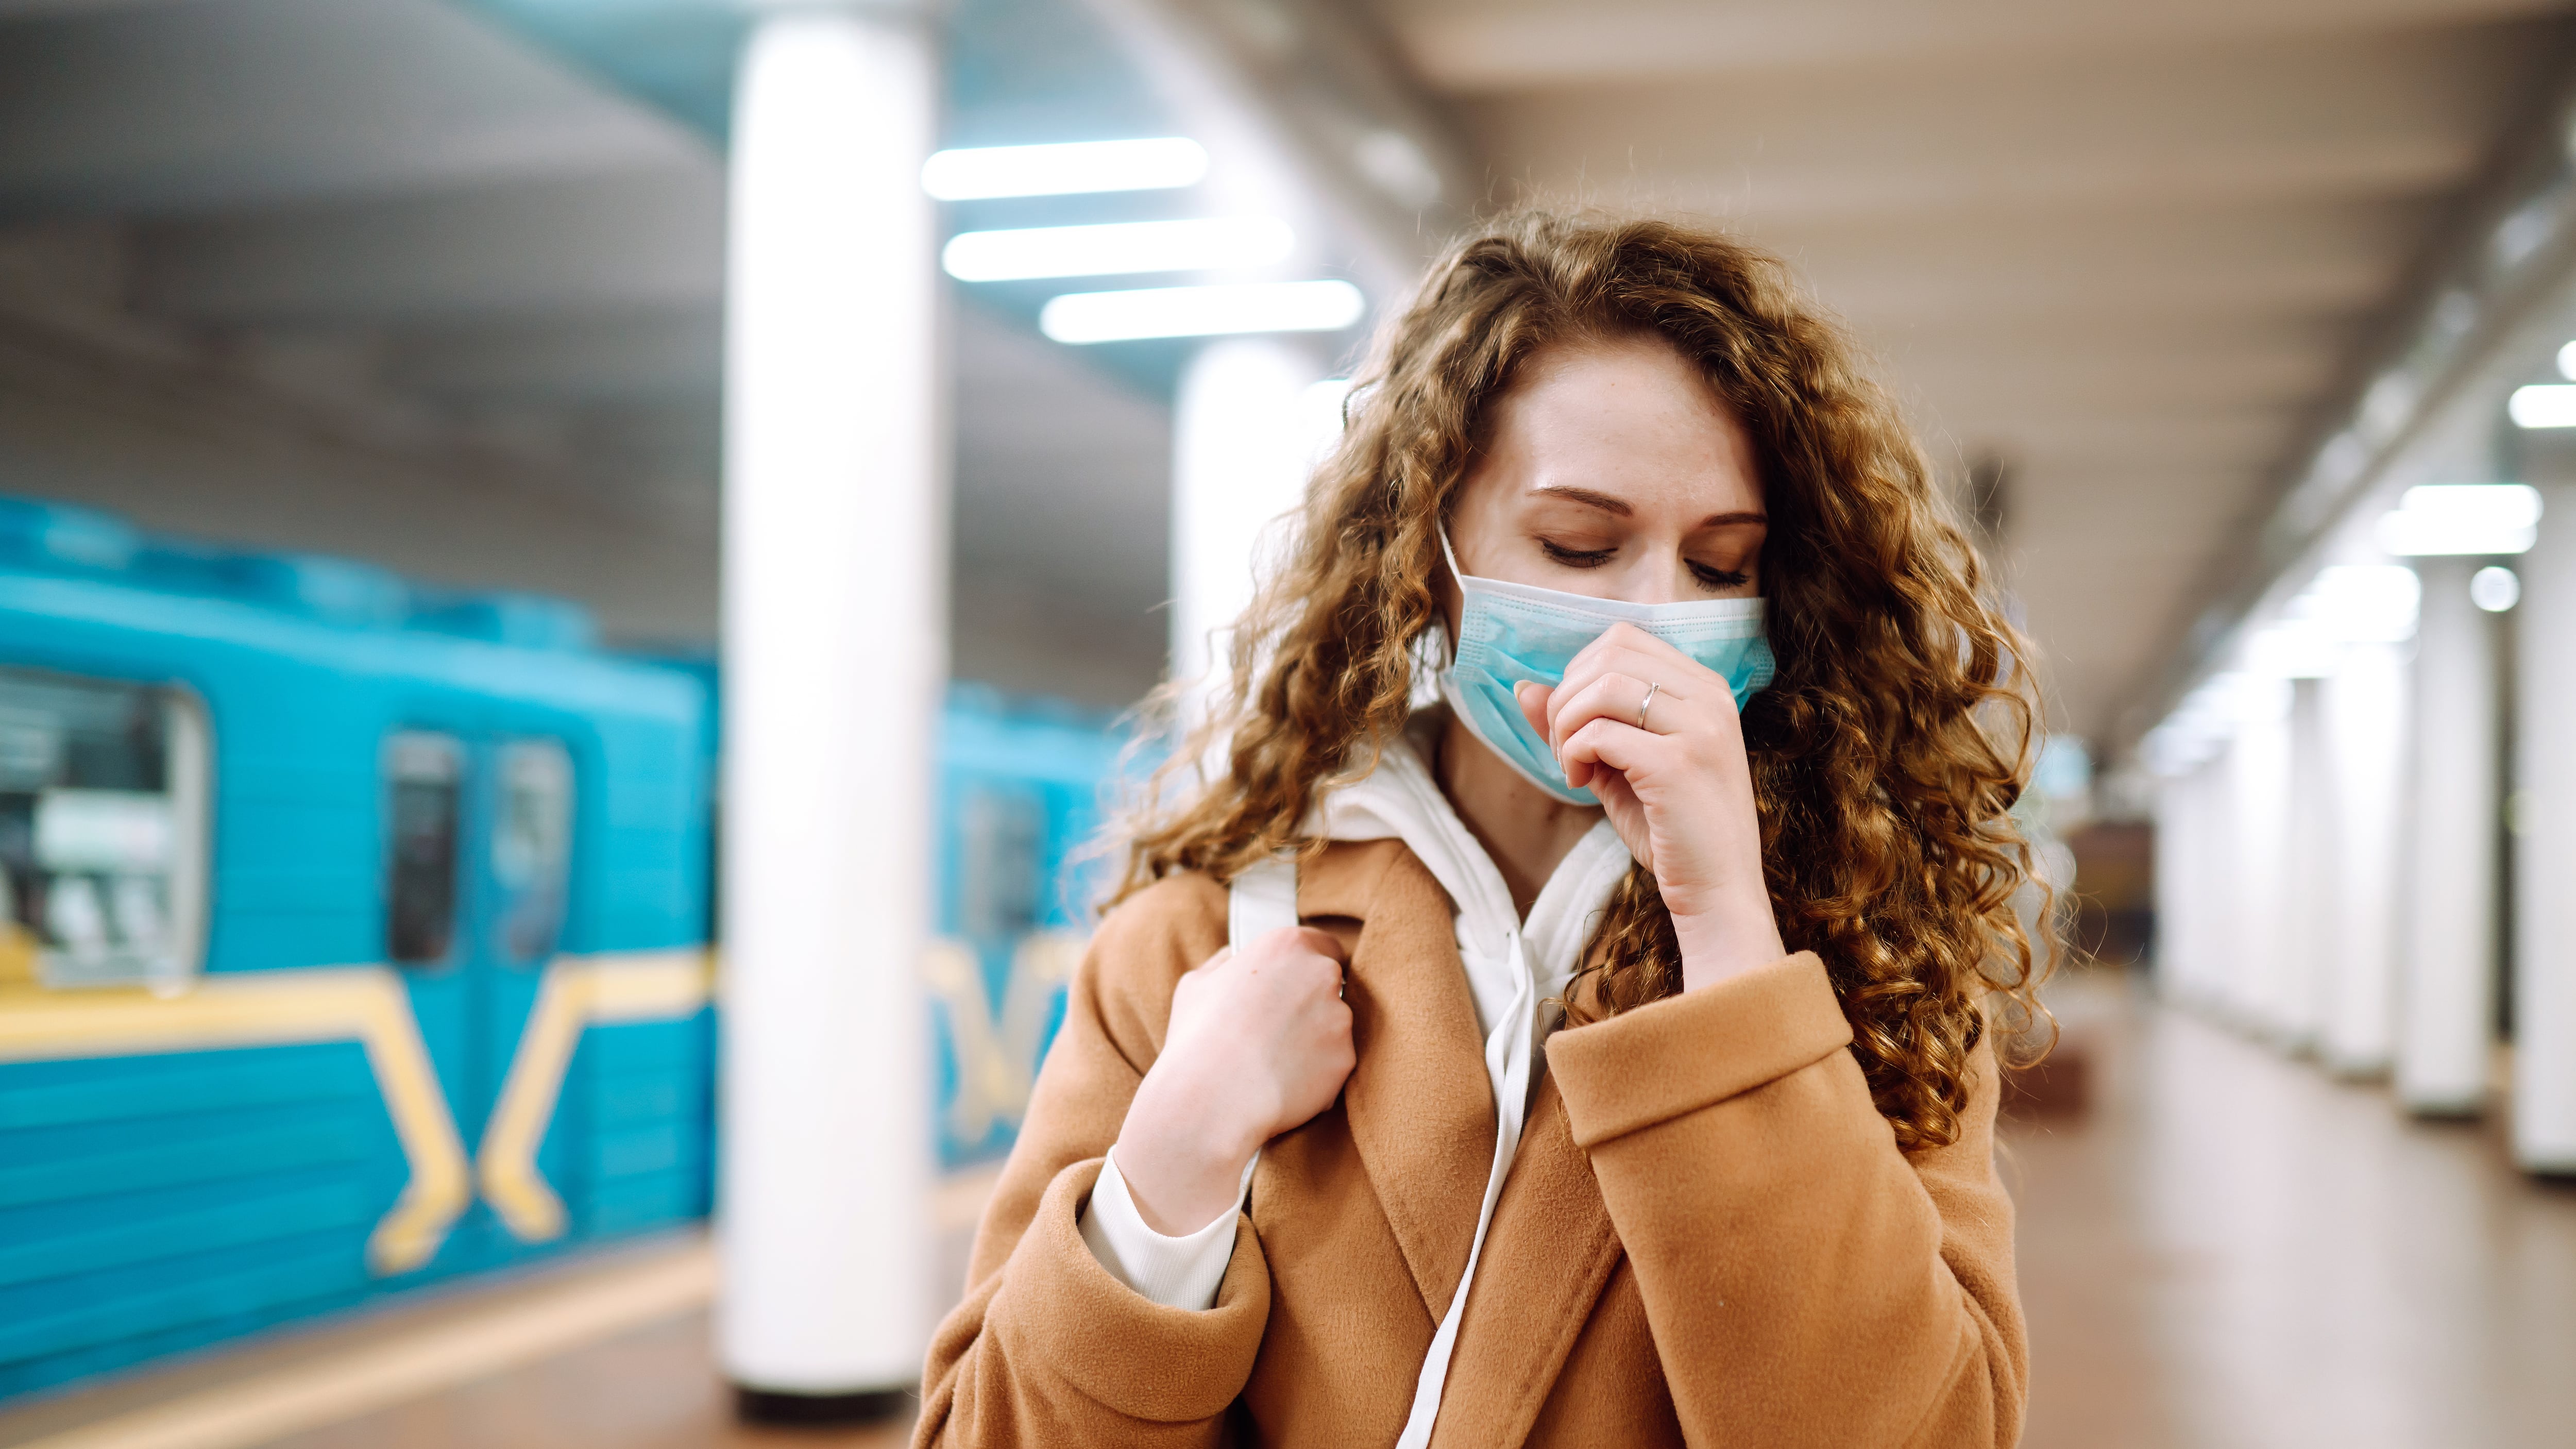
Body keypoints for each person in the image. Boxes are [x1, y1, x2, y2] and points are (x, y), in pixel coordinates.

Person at [916, 210, 2042, 1447]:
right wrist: (1170, 1164)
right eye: (1579, 543)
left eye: (1722, 566)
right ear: (1427, 555)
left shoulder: (1865, 958)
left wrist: (1730, 936)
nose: (1654, 619)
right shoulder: (1196, 940)